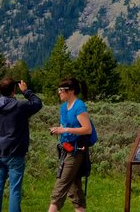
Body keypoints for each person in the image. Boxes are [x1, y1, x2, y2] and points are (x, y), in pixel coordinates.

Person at [0, 77, 43, 212]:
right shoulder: (20, 106)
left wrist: (1, 92)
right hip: (15, 153)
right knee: (15, 190)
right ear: (14, 90)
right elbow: (38, 103)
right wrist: (26, 91)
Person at [48, 77, 92, 212]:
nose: (59, 92)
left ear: (71, 91)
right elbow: (64, 125)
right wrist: (59, 130)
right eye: (58, 90)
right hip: (65, 149)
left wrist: (64, 130)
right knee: (74, 188)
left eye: (62, 90)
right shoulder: (64, 107)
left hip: (76, 151)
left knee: (60, 185)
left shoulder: (79, 106)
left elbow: (87, 129)